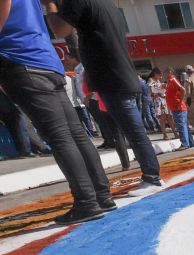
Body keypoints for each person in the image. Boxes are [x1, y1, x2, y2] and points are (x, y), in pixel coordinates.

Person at [0, 0, 114, 223]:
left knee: (60, 136)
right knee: (75, 134)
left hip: (21, 62)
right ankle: (101, 195)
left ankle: (86, 202)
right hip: (45, 61)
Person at [43, 0, 162, 195]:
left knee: (134, 133)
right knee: (134, 132)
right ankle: (151, 176)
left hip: (112, 77)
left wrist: (50, 6)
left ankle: (152, 178)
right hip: (119, 75)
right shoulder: (105, 4)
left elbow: (60, 30)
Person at [164, 68, 193, 150]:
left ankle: (184, 144)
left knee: (181, 126)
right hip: (176, 107)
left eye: (165, 72)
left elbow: (183, 90)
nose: (164, 75)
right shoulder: (170, 82)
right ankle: (190, 142)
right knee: (184, 126)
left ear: (170, 72)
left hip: (178, 108)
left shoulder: (173, 80)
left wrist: (180, 102)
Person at [147, 68, 177, 141]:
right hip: (159, 100)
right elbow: (152, 90)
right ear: (155, 74)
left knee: (170, 117)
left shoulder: (157, 80)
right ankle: (165, 135)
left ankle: (175, 133)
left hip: (164, 99)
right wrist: (162, 87)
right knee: (163, 118)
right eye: (160, 75)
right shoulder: (151, 80)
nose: (161, 77)